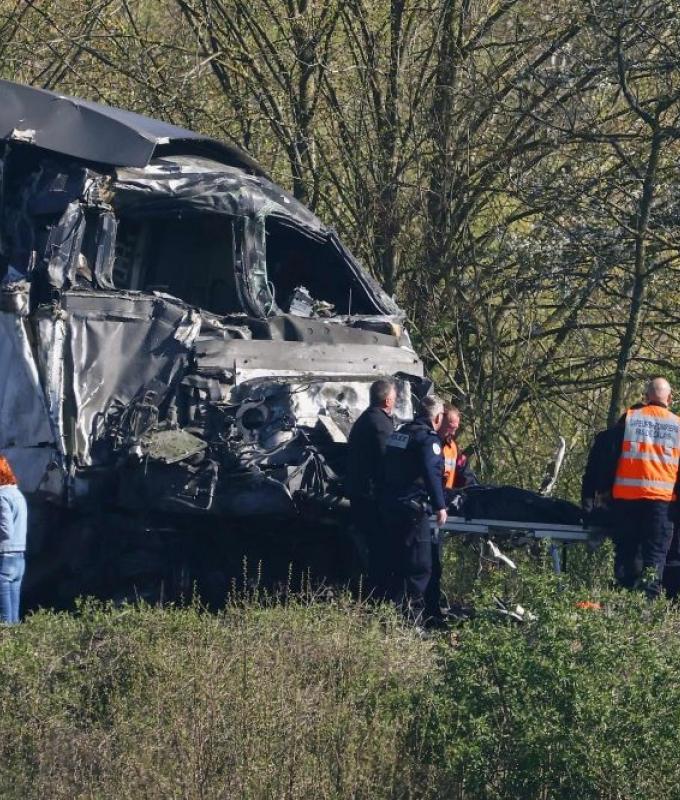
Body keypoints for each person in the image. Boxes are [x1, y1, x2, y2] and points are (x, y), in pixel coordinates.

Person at [610, 378, 680, 598]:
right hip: (662, 502)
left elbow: (608, 458)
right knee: (655, 557)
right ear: (669, 399)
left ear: (646, 397)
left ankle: (623, 601)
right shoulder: (677, 425)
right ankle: (646, 613)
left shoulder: (629, 419)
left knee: (626, 553)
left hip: (626, 499)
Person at [381, 395, 447, 625]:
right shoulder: (428, 440)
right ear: (437, 417)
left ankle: (391, 619)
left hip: (390, 505)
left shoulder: (399, 433)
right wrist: (440, 506)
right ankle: (412, 621)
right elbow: (432, 473)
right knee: (420, 566)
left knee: (396, 563)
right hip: (412, 510)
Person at [346, 378, 397, 597]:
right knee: (379, 550)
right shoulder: (380, 424)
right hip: (372, 499)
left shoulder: (366, 420)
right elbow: (388, 460)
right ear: (387, 400)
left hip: (361, 494)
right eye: (394, 398)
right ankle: (378, 596)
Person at [0, 456, 28, 623]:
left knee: (3, 619)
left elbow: (5, 529)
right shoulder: (17, 494)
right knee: (13, 619)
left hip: (3, 558)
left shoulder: (1, 496)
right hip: (18, 558)